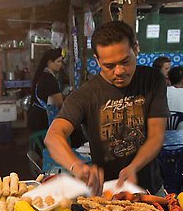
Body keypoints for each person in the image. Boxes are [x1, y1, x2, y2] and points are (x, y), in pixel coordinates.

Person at [44, 20, 169, 196]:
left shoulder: (152, 80)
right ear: (97, 60)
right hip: (108, 194)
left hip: (150, 189)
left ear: (135, 47)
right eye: (109, 65)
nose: (119, 71)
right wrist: (77, 166)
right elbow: (53, 136)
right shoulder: (85, 95)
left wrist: (133, 167)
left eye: (125, 61)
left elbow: (156, 135)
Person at [27, 47, 64, 133]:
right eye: (58, 61)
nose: (60, 64)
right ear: (50, 63)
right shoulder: (49, 79)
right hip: (42, 118)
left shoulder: (42, 75)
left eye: (61, 61)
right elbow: (59, 103)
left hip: (35, 116)